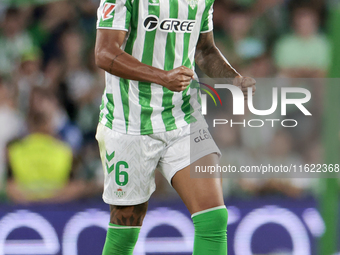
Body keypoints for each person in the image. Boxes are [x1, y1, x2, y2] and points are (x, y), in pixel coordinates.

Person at [94, 1, 256, 254]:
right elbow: (104, 53)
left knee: (213, 218)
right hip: (128, 123)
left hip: (182, 117)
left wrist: (233, 78)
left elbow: (204, 50)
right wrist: (162, 77)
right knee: (125, 230)